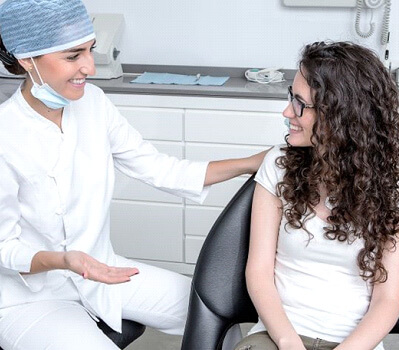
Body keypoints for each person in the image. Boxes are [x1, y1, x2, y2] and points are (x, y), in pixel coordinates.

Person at [0, 1, 268, 349]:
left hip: (102, 272)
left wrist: (252, 162)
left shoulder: (93, 104)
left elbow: (161, 169)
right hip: (30, 298)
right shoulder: (5, 134)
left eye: (90, 50)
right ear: (27, 59)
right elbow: (3, 246)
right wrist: (63, 261)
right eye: (73, 55)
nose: (90, 67)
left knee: (215, 313)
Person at [234, 41, 399, 350]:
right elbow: (258, 271)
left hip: (355, 342)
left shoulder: (396, 186)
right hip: (279, 335)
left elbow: (388, 299)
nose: (287, 111)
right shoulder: (277, 166)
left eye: (300, 104)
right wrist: (287, 341)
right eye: (290, 98)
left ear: (341, 116)